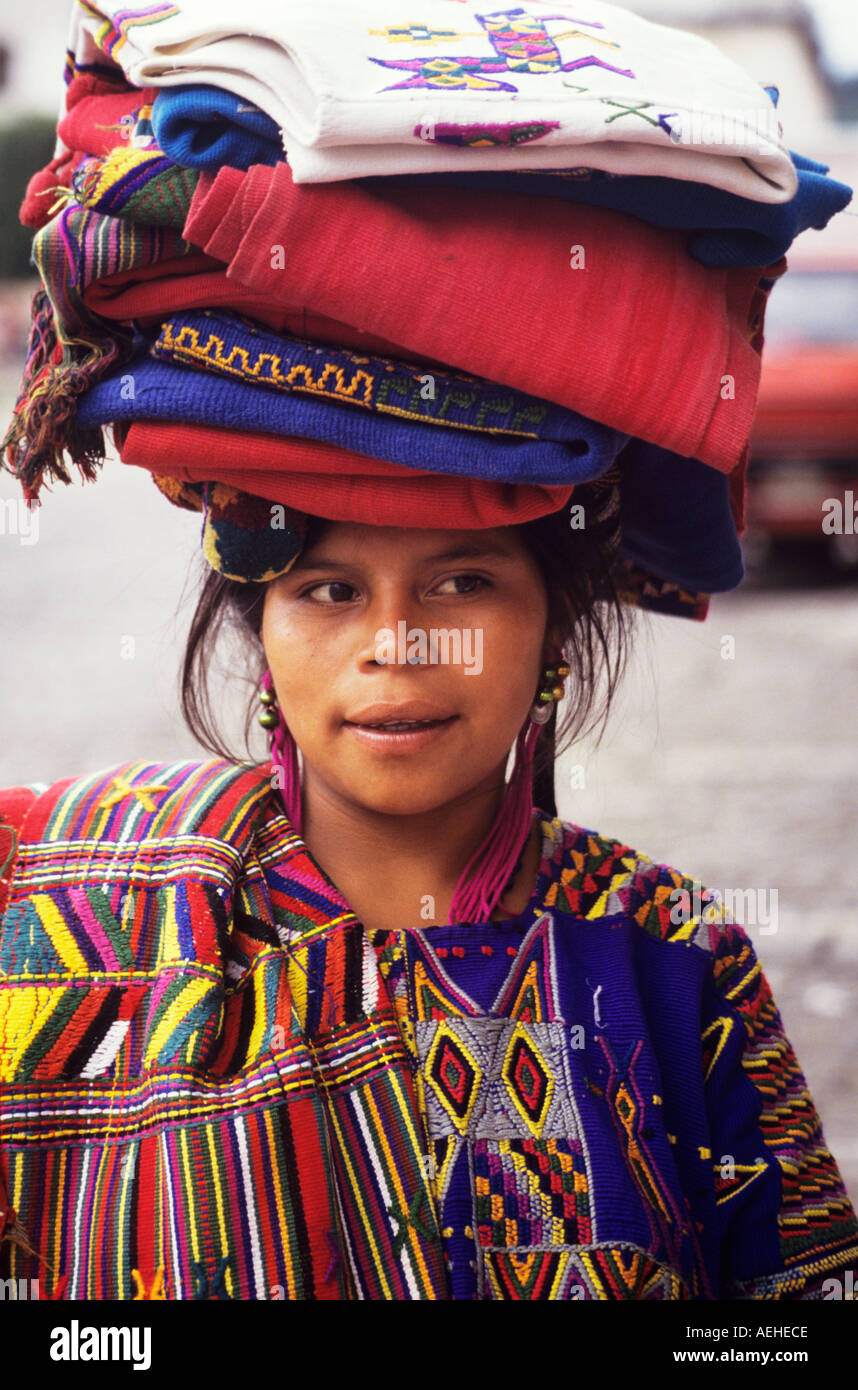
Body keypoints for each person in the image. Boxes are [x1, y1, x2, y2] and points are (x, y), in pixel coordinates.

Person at [1, 483, 855, 1302]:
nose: (398, 642)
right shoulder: (70, 917)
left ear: (555, 623)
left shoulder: (670, 950)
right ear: (261, 635)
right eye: (330, 589)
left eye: (463, 583)